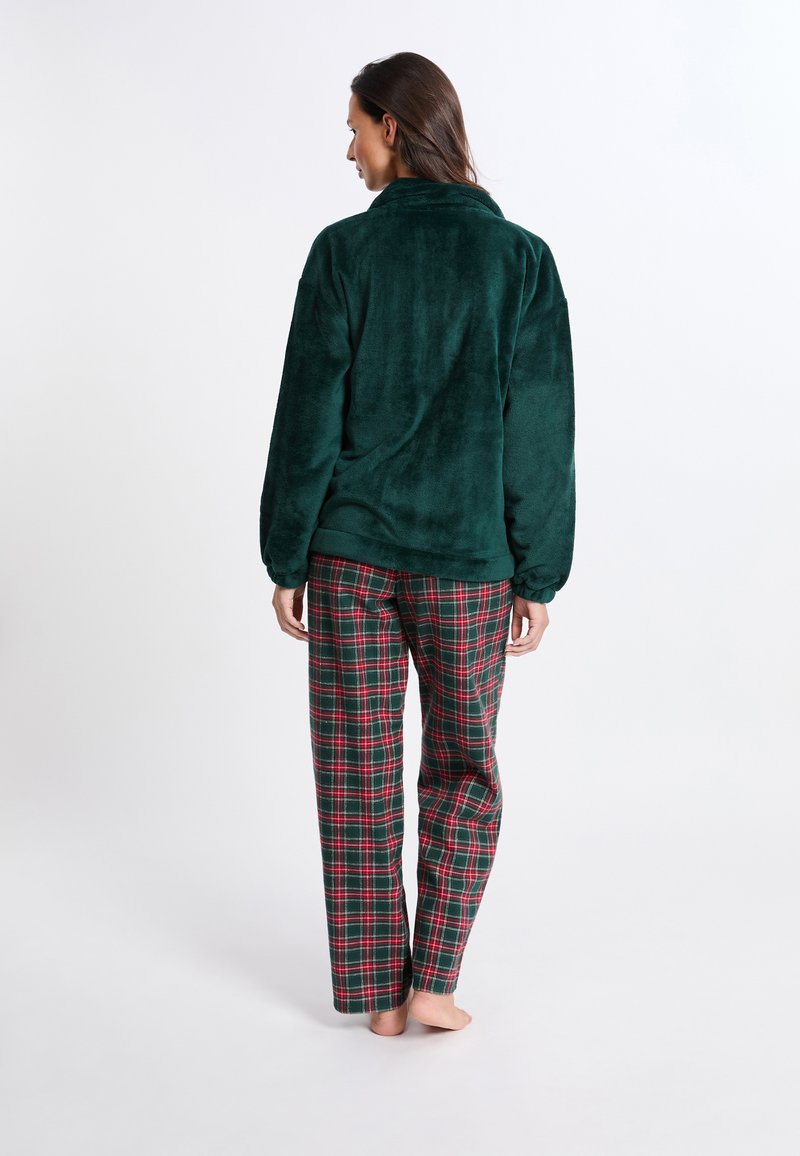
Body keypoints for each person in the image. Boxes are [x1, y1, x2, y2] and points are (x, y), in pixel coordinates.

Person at [258, 51, 576, 1036]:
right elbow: (540, 431)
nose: (348, 150)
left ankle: (379, 999)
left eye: (354, 129)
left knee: (356, 773)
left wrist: (287, 552)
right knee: (463, 771)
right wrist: (537, 570)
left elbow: (306, 417)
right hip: (468, 566)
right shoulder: (520, 260)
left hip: (349, 557)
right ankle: (432, 978)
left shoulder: (342, 254)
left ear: (393, 128)